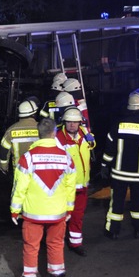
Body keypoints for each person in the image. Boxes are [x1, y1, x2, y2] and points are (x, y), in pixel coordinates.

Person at [11, 118, 76, 277]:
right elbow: (71, 186)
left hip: (33, 213)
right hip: (58, 213)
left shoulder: (28, 158)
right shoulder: (66, 157)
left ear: (38, 134)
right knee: (56, 244)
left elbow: (19, 187)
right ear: (54, 133)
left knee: (31, 247)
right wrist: (69, 209)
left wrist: (15, 210)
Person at [101, 92, 139, 239]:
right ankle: (138, 229)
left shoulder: (118, 125)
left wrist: (104, 165)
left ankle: (113, 230)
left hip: (119, 173)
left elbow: (110, 149)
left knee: (116, 203)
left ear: (129, 108)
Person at [56, 107, 93, 257]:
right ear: (64, 122)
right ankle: (55, 244)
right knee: (59, 217)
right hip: (64, 188)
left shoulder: (84, 134)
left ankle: (75, 242)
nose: (72, 125)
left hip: (82, 186)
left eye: (75, 122)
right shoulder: (58, 139)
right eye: (69, 122)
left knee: (78, 216)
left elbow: (90, 147)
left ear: (79, 123)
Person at [0, 100, 39, 175]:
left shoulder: (11, 130)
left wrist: (4, 167)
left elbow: (4, 150)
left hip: (19, 172)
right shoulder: (42, 128)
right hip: (39, 173)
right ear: (34, 114)